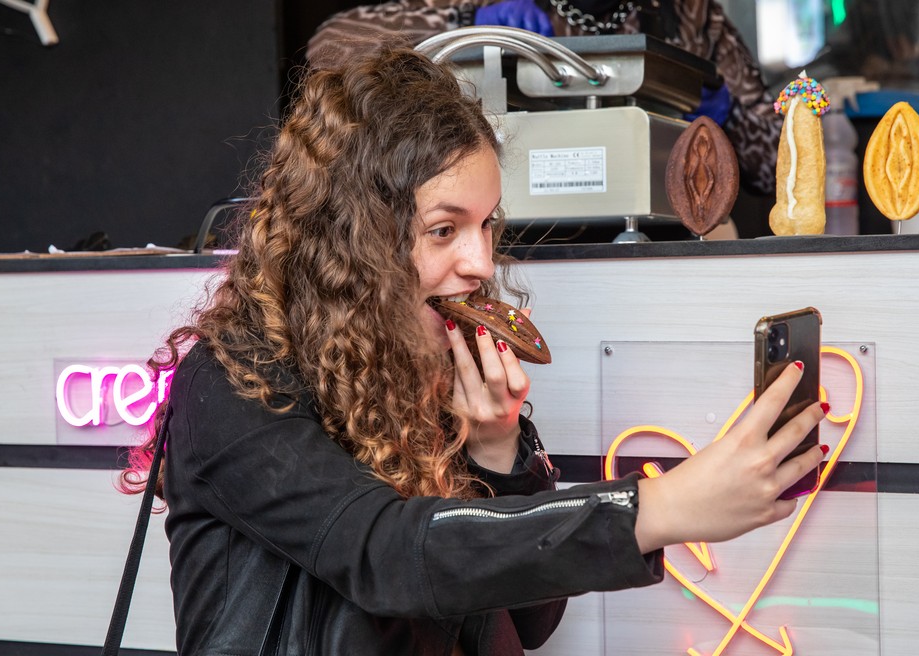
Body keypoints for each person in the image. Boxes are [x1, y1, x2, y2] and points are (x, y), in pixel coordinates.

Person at [121, 44, 826, 655]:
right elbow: (386, 551)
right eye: (443, 230)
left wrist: (497, 450)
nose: (481, 262)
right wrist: (658, 507)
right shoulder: (232, 383)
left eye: (486, 226)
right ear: (353, 239)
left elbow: (533, 617)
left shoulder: (429, 371)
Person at [306, 0, 782, 196]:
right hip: (510, 226)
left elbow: (781, 165)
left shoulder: (689, 14)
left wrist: (727, 113)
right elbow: (331, 43)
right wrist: (469, 19)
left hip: (662, 223)